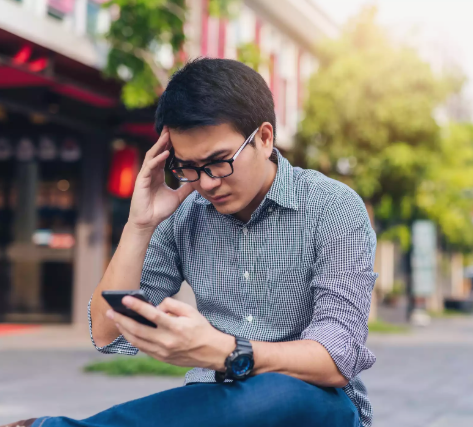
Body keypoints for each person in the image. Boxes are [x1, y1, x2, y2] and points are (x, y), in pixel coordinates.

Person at [3, 58, 377, 427]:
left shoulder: (332, 207)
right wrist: (139, 224)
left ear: (264, 138)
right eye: (188, 167)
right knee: (205, 402)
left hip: (317, 404)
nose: (207, 182)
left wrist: (226, 351)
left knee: (280, 392)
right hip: (217, 403)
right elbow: (106, 331)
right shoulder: (184, 213)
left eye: (218, 161)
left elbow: (335, 357)